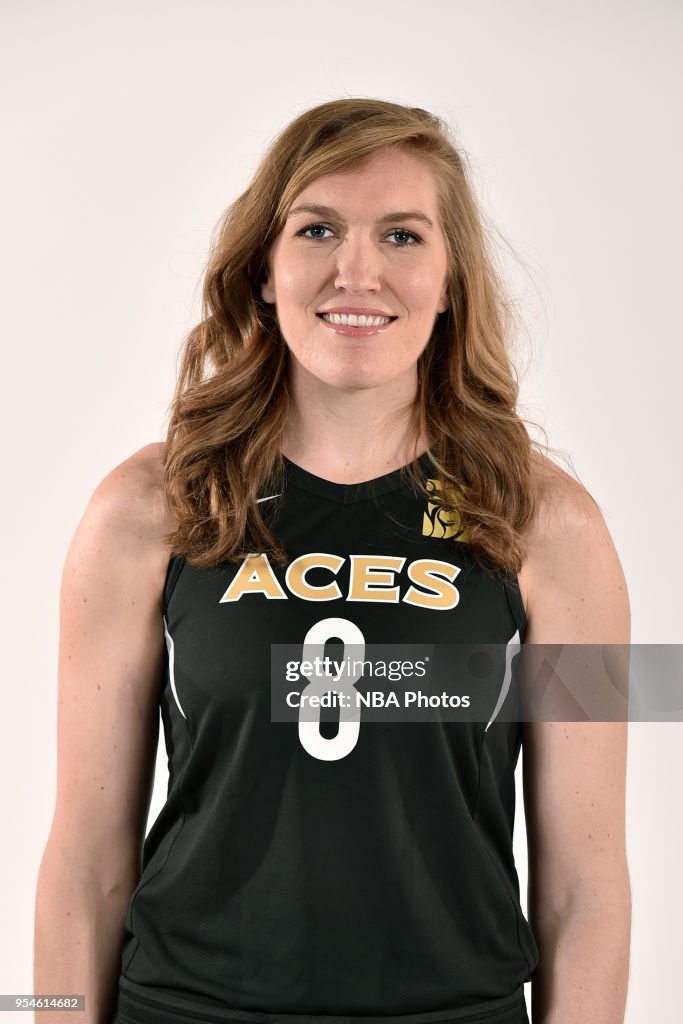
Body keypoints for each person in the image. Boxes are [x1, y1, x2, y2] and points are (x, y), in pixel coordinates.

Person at [34, 98, 631, 1024]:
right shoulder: (146, 510)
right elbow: (81, 858)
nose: (358, 272)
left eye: (401, 236)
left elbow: (584, 886)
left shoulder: (552, 526)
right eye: (317, 229)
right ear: (264, 272)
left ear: (450, 282)